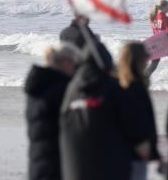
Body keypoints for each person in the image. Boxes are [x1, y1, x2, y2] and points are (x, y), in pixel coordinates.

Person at [59, 26, 146, 180]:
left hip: (75, 168)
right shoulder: (114, 89)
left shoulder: (70, 90)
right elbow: (132, 128)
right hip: (109, 167)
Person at [24, 45, 79, 180]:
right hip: (55, 157)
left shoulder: (40, 84)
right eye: (75, 65)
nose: (76, 70)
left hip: (39, 156)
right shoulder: (61, 89)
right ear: (66, 63)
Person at [118, 42, 161, 180]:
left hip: (121, 154)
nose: (147, 61)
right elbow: (134, 120)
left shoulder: (117, 84)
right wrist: (144, 147)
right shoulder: (134, 87)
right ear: (137, 60)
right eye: (145, 57)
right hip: (134, 155)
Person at [146, 0, 168, 77]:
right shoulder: (165, 18)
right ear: (164, 7)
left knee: (153, 65)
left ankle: (141, 80)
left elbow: (155, 33)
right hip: (167, 44)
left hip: (157, 44)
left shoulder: (153, 17)